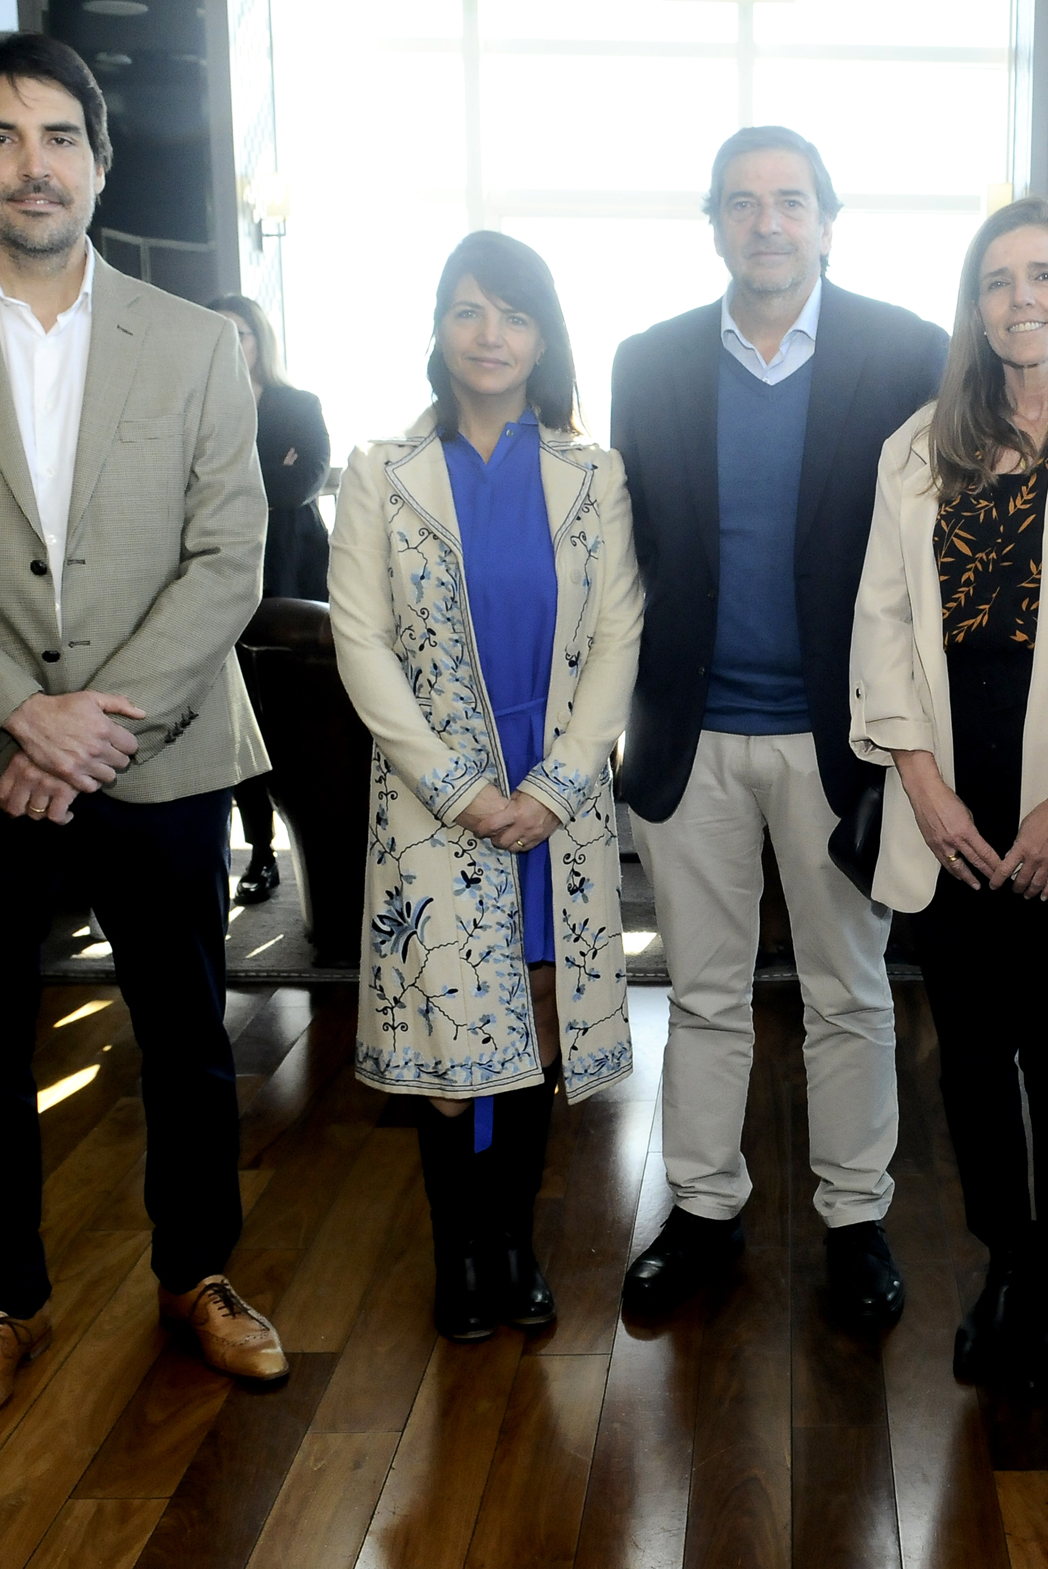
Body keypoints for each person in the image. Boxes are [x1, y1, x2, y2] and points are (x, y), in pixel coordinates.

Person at [0, 34, 283, 1438]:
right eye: (1, 138)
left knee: (186, 1036)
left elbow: (228, 559)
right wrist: (18, 713)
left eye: (59, 137)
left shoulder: (199, 342)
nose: (34, 165)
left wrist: (93, 724)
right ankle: (2, 1303)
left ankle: (197, 1275)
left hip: (158, 744)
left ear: (100, 157)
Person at [610, 126, 948, 1328]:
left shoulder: (910, 354)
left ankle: (854, 1220)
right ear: (714, 224)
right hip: (686, 732)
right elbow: (628, 561)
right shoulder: (645, 364)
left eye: (789, 202)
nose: (767, 223)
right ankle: (702, 1210)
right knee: (700, 991)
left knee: (848, 990)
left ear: (824, 220)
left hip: (837, 738)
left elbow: (932, 562)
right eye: (743, 204)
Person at [329, 230, 641, 1340]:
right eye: (469, 310)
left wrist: (554, 788)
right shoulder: (382, 473)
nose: (491, 334)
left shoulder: (592, 475)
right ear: (439, 330)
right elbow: (358, 641)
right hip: (433, 798)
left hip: (554, 794)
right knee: (450, 1041)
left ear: (544, 335)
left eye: (513, 314)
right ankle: (458, 1256)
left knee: (539, 1015)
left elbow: (618, 634)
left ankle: (514, 1247)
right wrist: (459, 787)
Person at [848, 196, 1048, 1385]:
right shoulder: (919, 445)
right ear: (974, 305)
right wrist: (922, 786)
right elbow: (882, 627)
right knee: (969, 1050)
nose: (1023, 298)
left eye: (1044, 275)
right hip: (948, 786)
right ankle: (1005, 1258)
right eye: (998, 279)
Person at [209, 293, 330, 904]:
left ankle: (312, 849)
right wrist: (268, 469)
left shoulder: (297, 405)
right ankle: (259, 853)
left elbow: (302, 482)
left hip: (293, 581)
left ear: (261, 342)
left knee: (291, 720)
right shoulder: (198, 406)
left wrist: (242, 481)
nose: (234, 346)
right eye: (221, 334)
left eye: (243, 336)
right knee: (239, 722)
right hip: (221, 582)